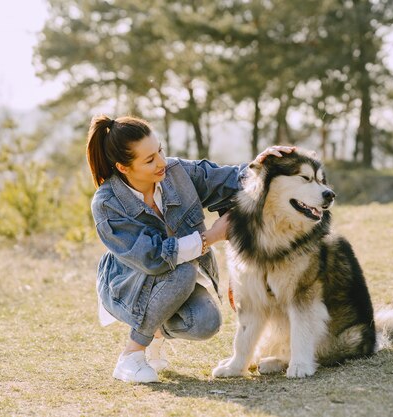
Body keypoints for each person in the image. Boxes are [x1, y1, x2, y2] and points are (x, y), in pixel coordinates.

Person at [86, 114, 295, 383]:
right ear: (124, 168)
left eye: (159, 150)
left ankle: (155, 333)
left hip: (171, 283)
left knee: (206, 322)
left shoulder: (176, 172)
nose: (161, 162)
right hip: (126, 287)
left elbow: (228, 179)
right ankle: (131, 355)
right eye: (149, 160)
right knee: (182, 270)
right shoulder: (107, 204)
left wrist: (263, 165)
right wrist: (211, 236)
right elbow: (153, 258)